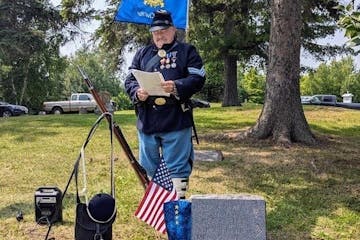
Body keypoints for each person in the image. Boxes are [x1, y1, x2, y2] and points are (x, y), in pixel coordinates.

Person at [124, 9, 206, 198]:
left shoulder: (187, 51)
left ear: (173, 29)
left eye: (163, 30)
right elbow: (129, 80)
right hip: (148, 120)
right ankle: (159, 207)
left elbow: (198, 78)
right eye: (155, 32)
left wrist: (177, 86)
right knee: (149, 166)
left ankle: (177, 206)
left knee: (177, 167)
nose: (159, 35)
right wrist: (137, 92)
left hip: (175, 118)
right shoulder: (142, 54)